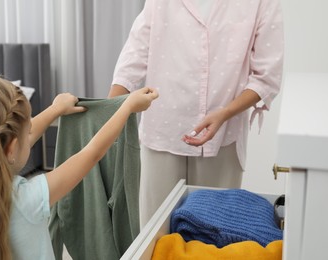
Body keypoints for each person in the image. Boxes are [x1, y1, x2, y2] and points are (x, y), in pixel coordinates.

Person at [0, 75, 158, 260]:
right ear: (11, 149)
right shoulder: (25, 200)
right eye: (27, 132)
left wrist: (55, 110)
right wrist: (127, 107)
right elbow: (91, 154)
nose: (30, 134)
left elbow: (7, 143)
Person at [108, 0, 284, 228]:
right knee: (155, 233)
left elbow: (267, 76)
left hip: (224, 136)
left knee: (214, 233)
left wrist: (225, 113)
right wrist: (107, 114)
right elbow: (134, 57)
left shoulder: (261, 3)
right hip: (162, 130)